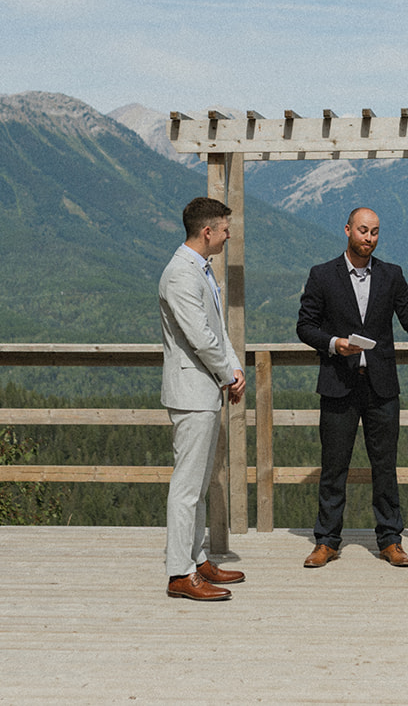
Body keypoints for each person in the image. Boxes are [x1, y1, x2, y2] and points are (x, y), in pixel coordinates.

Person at [296, 206, 408, 569]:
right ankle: (326, 541)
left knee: (385, 466)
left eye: (375, 232)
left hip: (382, 387)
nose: (369, 238)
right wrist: (334, 343)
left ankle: (391, 540)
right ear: (347, 230)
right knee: (333, 467)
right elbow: (305, 326)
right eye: (363, 231)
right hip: (338, 384)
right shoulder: (322, 275)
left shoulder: (392, 275)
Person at [159, 197, 248, 601]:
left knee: (198, 484)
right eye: (225, 229)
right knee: (186, 486)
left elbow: (217, 328)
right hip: (192, 391)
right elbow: (199, 336)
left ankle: (196, 560)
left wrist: (233, 368)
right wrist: (227, 373)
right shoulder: (180, 274)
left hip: (205, 389)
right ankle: (180, 573)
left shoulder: (200, 270)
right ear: (207, 231)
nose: (229, 236)